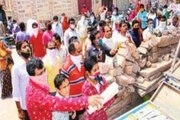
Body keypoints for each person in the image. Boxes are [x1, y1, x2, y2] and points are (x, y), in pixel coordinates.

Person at [26, 58, 103, 120]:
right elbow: (59, 103)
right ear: (32, 76)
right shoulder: (35, 94)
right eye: (40, 73)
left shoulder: (34, 83)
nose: (44, 74)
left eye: (44, 70)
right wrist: (86, 100)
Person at [61, 39, 86, 119]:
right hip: (73, 103)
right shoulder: (66, 67)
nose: (81, 53)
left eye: (81, 50)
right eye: (79, 51)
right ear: (72, 52)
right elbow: (63, 88)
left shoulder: (81, 60)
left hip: (83, 99)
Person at [11, 40, 32, 120]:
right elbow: (15, 91)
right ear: (19, 52)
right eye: (24, 47)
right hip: (26, 106)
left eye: (28, 46)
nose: (27, 48)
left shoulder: (33, 63)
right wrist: (19, 110)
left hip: (36, 104)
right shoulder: (16, 68)